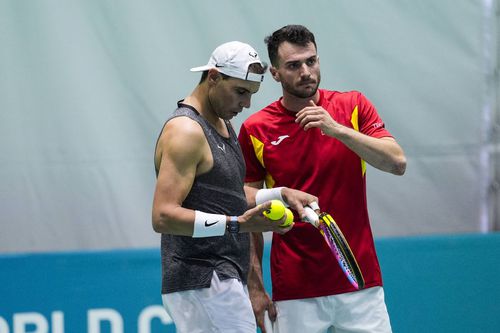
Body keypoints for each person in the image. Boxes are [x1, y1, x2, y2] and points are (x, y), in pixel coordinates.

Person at [238, 25, 407, 333]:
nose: (306, 71)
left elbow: (397, 162)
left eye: (311, 61)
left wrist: (337, 129)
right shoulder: (256, 128)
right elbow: (245, 206)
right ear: (275, 73)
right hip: (294, 290)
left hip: (360, 281)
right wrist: (255, 286)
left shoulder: (352, 106)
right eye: (293, 65)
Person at [152, 41, 318, 333]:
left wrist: (279, 193)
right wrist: (237, 225)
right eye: (240, 92)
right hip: (202, 279)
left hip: (222, 277)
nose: (247, 103)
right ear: (213, 77)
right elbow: (164, 216)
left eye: (251, 94)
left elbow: (227, 195)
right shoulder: (185, 131)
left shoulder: (222, 124)